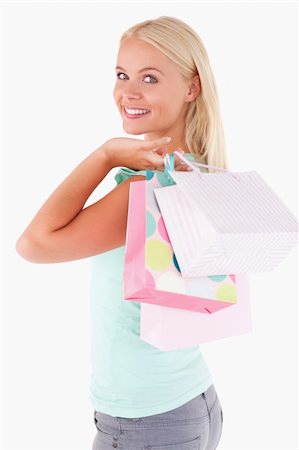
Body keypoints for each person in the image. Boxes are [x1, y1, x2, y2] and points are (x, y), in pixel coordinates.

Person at [16, 15, 227, 450]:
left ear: (192, 87)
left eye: (149, 77)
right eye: (121, 74)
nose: (128, 91)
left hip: (145, 419)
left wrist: (107, 153)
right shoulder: (200, 169)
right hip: (193, 399)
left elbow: (34, 245)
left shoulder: (143, 189)